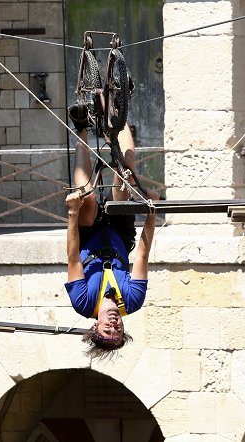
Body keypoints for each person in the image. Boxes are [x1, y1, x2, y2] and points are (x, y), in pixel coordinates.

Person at [64, 104, 158, 359]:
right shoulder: (132, 301)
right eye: (118, 329)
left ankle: (82, 128)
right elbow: (142, 255)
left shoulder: (83, 303)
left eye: (108, 329)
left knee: (88, 196)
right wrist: (151, 214)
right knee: (125, 169)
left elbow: (73, 257)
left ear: (96, 325)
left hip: (88, 236)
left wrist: (73, 213)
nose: (114, 324)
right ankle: (119, 112)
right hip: (119, 235)